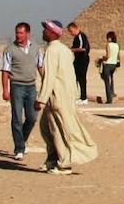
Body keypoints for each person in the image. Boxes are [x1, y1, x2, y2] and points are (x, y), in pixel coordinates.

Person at [36, 20, 98, 174]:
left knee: (58, 130)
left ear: (52, 32)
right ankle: (52, 159)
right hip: (66, 95)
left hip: (56, 96)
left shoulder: (52, 51)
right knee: (46, 127)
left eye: (46, 29)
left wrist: (41, 99)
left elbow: (49, 77)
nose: (43, 32)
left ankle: (64, 164)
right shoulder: (64, 50)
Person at [1, 21, 42, 161]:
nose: (18, 35)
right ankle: (19, 148)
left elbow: (40, 67)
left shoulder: (36, 48)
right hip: (16, 86)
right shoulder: (10, 49)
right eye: (17, 33)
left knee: (32, 117)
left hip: (31, 86)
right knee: (17, 118)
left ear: (27, 34)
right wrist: (5, 90)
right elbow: (5, 71)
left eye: (21, 33)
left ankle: (22, 140)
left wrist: (47, 83)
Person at [68, 22, 92, 104]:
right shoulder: (77, 37)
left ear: (75, 28)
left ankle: (83, 98)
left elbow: (83, 48)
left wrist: (72, 50)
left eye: (71, 31)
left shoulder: (80, 36)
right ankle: (79, 96)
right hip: (78, 60)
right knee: (76, 78)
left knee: (82, 79)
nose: (70, 33)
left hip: (82, 60)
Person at [100, 30, 120, 105]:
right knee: (111, 80)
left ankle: (109, 99)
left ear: (109, 38)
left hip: (107, 65)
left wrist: (102, 58)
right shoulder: (117, 45)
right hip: (114, 65)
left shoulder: (108, 45)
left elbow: (108, 56)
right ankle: (112, 93)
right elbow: (118, 57)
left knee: (107, 82)